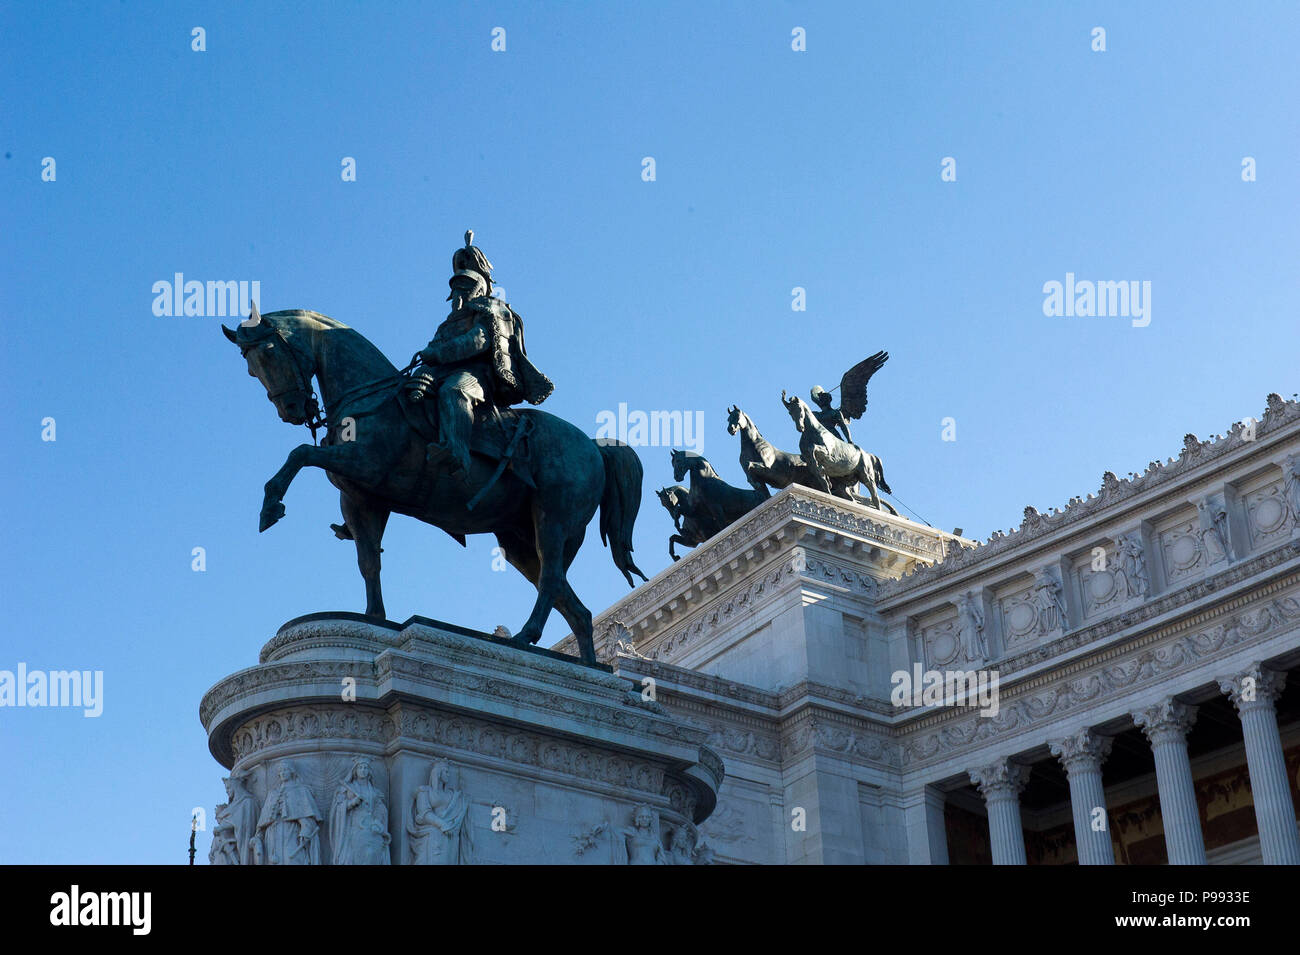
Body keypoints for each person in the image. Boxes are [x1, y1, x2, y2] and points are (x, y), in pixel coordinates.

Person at [406, 232, 553, 477]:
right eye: (455, 287)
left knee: (454, 391)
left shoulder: (492, 309)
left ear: (478, 287)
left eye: (464, 287)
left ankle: (456, 451)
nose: (458, 294)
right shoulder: (448, 323)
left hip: (478, 375)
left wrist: (438, 354)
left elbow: (477, 341)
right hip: (440, 371)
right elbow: (435, 348)